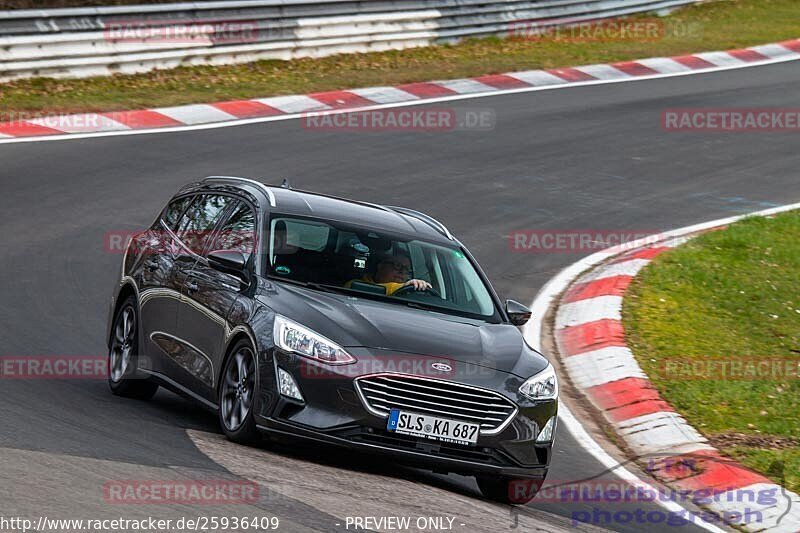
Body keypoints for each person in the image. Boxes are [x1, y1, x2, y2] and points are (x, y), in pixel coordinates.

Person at [346, 250, 432, 295]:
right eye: (398, 265)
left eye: (406, 269)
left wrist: (420, 287)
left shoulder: (410, 294)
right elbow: (379, 290)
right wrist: (405, 286)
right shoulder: (354, 285)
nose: (402, 271)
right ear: (381, 266)